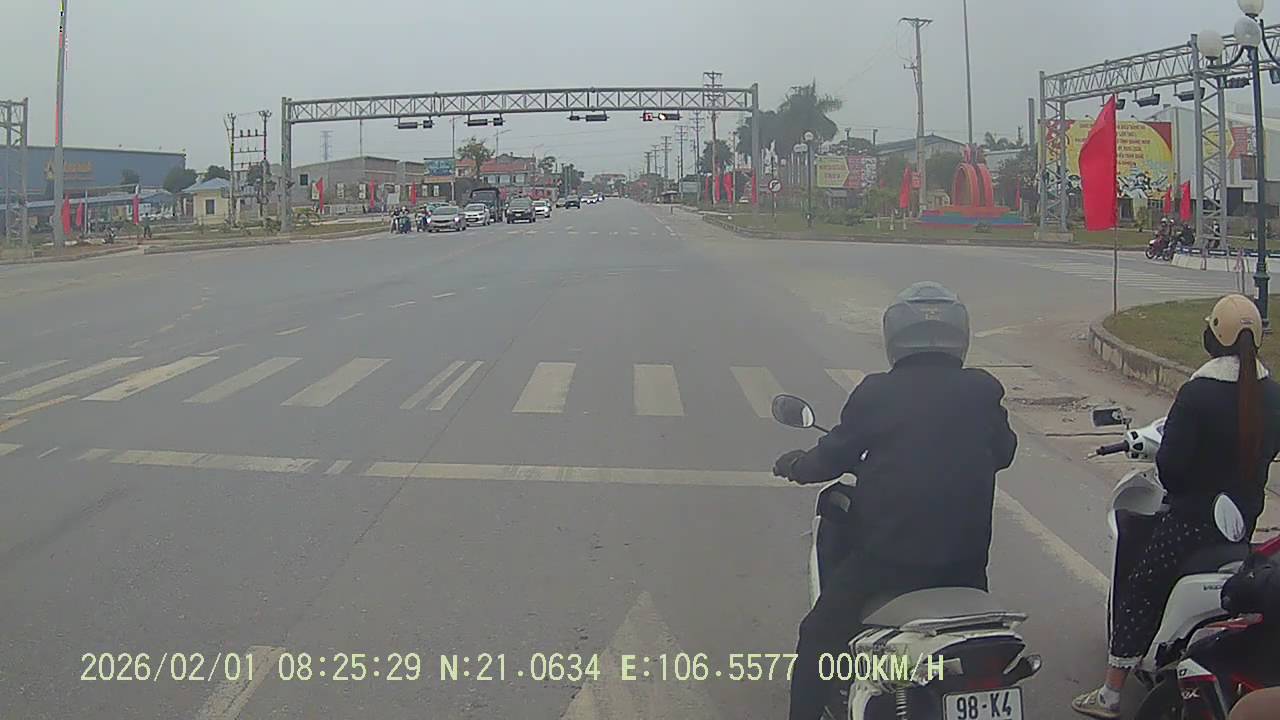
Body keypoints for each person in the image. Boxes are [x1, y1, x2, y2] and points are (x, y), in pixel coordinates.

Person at [773, 282, 1019, 720]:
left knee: (817, 636)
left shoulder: (876, 392)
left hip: (889, 561)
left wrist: (794, 464)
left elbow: (830, 458)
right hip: (965, 563)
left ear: (895, 337)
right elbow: (1004, 453)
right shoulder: (983, 389)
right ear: (960, 336)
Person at [1072, 294, 1280, 719]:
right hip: (1242, 525)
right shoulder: (1271, 393)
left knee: (1142, 588)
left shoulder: (1198, 393)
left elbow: (1170, 467)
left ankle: (1111, 693)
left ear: (1213, 337)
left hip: (1191, 524)